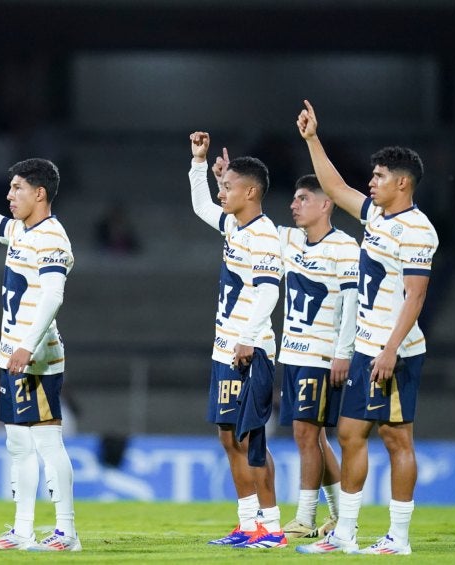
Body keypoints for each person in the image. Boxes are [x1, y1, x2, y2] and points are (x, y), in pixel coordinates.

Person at [295, 100, 438, 556]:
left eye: (378, 176)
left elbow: (415, 296)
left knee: (397, 438)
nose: (370, 182)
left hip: (394, 352)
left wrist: (390, 349)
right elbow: (335, 187)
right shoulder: (376, 215)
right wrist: (312, 139)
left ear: (402, 183)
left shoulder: (418, 231)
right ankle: (345, 534)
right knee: (349, 433)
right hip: (365, 347)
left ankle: (398, 538)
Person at [0, 145, 79, 552]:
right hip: (13, 354)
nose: (9, 195)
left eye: (16, 188)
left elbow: (53, 295)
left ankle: (66, 533)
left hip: (37, 358)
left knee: (47, 443)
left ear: (39, 193)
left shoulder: (52, 237)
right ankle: (22, 531)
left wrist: (27, 346)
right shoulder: (19, 231)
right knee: (18, 445)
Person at [188, 132, 285, 549]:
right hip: (225, 347)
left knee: (251, 438)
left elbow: (269, 291)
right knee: (228, 436)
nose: (220, 191)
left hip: (251, 348)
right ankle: (248, 524)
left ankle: (273, 527)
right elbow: (200, 206)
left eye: (227, 186)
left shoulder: (265, 235)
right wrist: (199, 163)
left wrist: (246, 338)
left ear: (251, 192)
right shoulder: (234, 225)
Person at [273, 174, 359, 539]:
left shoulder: (345, 247)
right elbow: (243, 224)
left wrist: (343, 353)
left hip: (321, 356)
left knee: (306, 435)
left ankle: (305, 519)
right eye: (294, 198)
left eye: (303, 198)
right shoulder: (289, 239)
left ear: (326, 204)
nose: (294, 205)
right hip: (292, 354)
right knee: (316, 438)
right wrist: (220, 184)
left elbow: (352, 303)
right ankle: (338, 517)